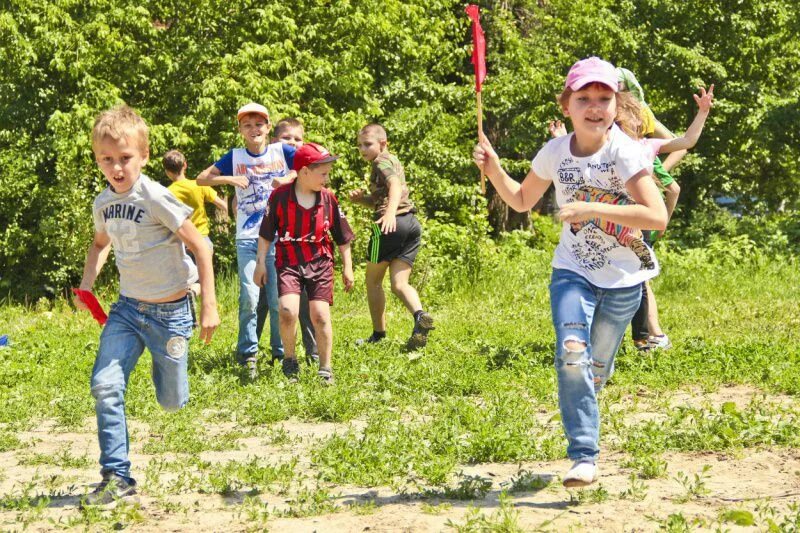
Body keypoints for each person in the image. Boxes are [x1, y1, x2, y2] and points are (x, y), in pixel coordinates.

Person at [473, 57, 668, 487]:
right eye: (584, 98)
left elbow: (656, 217)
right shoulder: (555, 152)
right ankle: (584, 456)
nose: (595, 107)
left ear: (617, 105)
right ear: (567, 105)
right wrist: (494, 169)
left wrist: (589, 208)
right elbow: (522, 200)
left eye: (604, 98)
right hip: (572, 272)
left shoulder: (626, 151)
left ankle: (592, 385)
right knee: (572, 355)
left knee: (594, 369)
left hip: (624, 281)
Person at [75, 105, 219, 506]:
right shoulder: (103, 202)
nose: (116, 168)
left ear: (144, 157)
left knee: (171, 401)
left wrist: (209, 303)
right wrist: (88, 283)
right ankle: (116, 476)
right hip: (127, 310)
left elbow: (201, 246)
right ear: (97, 159)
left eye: (125, 158)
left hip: (171, 313)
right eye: (107, 159)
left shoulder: (155, 196)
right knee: (105, 385)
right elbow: (101, 244)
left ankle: (171, 375)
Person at [196, 103, 295, 377]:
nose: (254, 129)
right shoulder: (235, 156)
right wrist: (229, 179)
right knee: (250, 298)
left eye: (259, 124)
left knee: (277, 301)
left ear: (267, 126)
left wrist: (286, 179)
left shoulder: (281, 150)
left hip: (278, 237)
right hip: (248, 239)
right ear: (240, 130)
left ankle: (279, 353)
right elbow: (202, 179)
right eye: (247, 125)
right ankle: (248, 353)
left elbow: (307, 165)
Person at [253, 142, 355, 384]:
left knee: (320, 315)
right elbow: (266, 233)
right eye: (323, 173)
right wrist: (260, 264)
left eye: (328, 172)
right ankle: (290, 361)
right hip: (288, 259)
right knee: (287, 311)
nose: (327, 178)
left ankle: (325, 367)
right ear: (304, 171)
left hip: (320, 260)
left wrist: (347, 267)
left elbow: (342, 237)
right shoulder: (279, 197)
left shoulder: (329, 198)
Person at [349, 124, 434, 350]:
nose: (362, 149)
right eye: (360, 145)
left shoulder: (380, 161)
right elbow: (384, 197)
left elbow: (395, 186)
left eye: (367, 144)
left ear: (383, 144)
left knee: (373, 281)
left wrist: (388, 214)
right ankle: (420, 317)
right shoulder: (393, 160)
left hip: (389, 226)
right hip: (410, 224)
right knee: (399, 283)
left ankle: (378, 335)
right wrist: (362, 200)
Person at [271, 118, 319, 365]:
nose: (291, 142)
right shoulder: (267, 168)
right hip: (272, 248)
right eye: (286, 137)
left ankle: (313, 353)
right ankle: (263, 353)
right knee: (268, 305)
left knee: (307, 305)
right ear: (273, 141)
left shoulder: (308, 173)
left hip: (303, 250)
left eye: (297, 138)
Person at [163, 149, 229, 260]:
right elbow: (222, 205)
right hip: (203, 240)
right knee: (206, 276)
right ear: (185, 165)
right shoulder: (199, 185)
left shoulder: (167, 193)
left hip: (182, 243)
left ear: (166, 171)